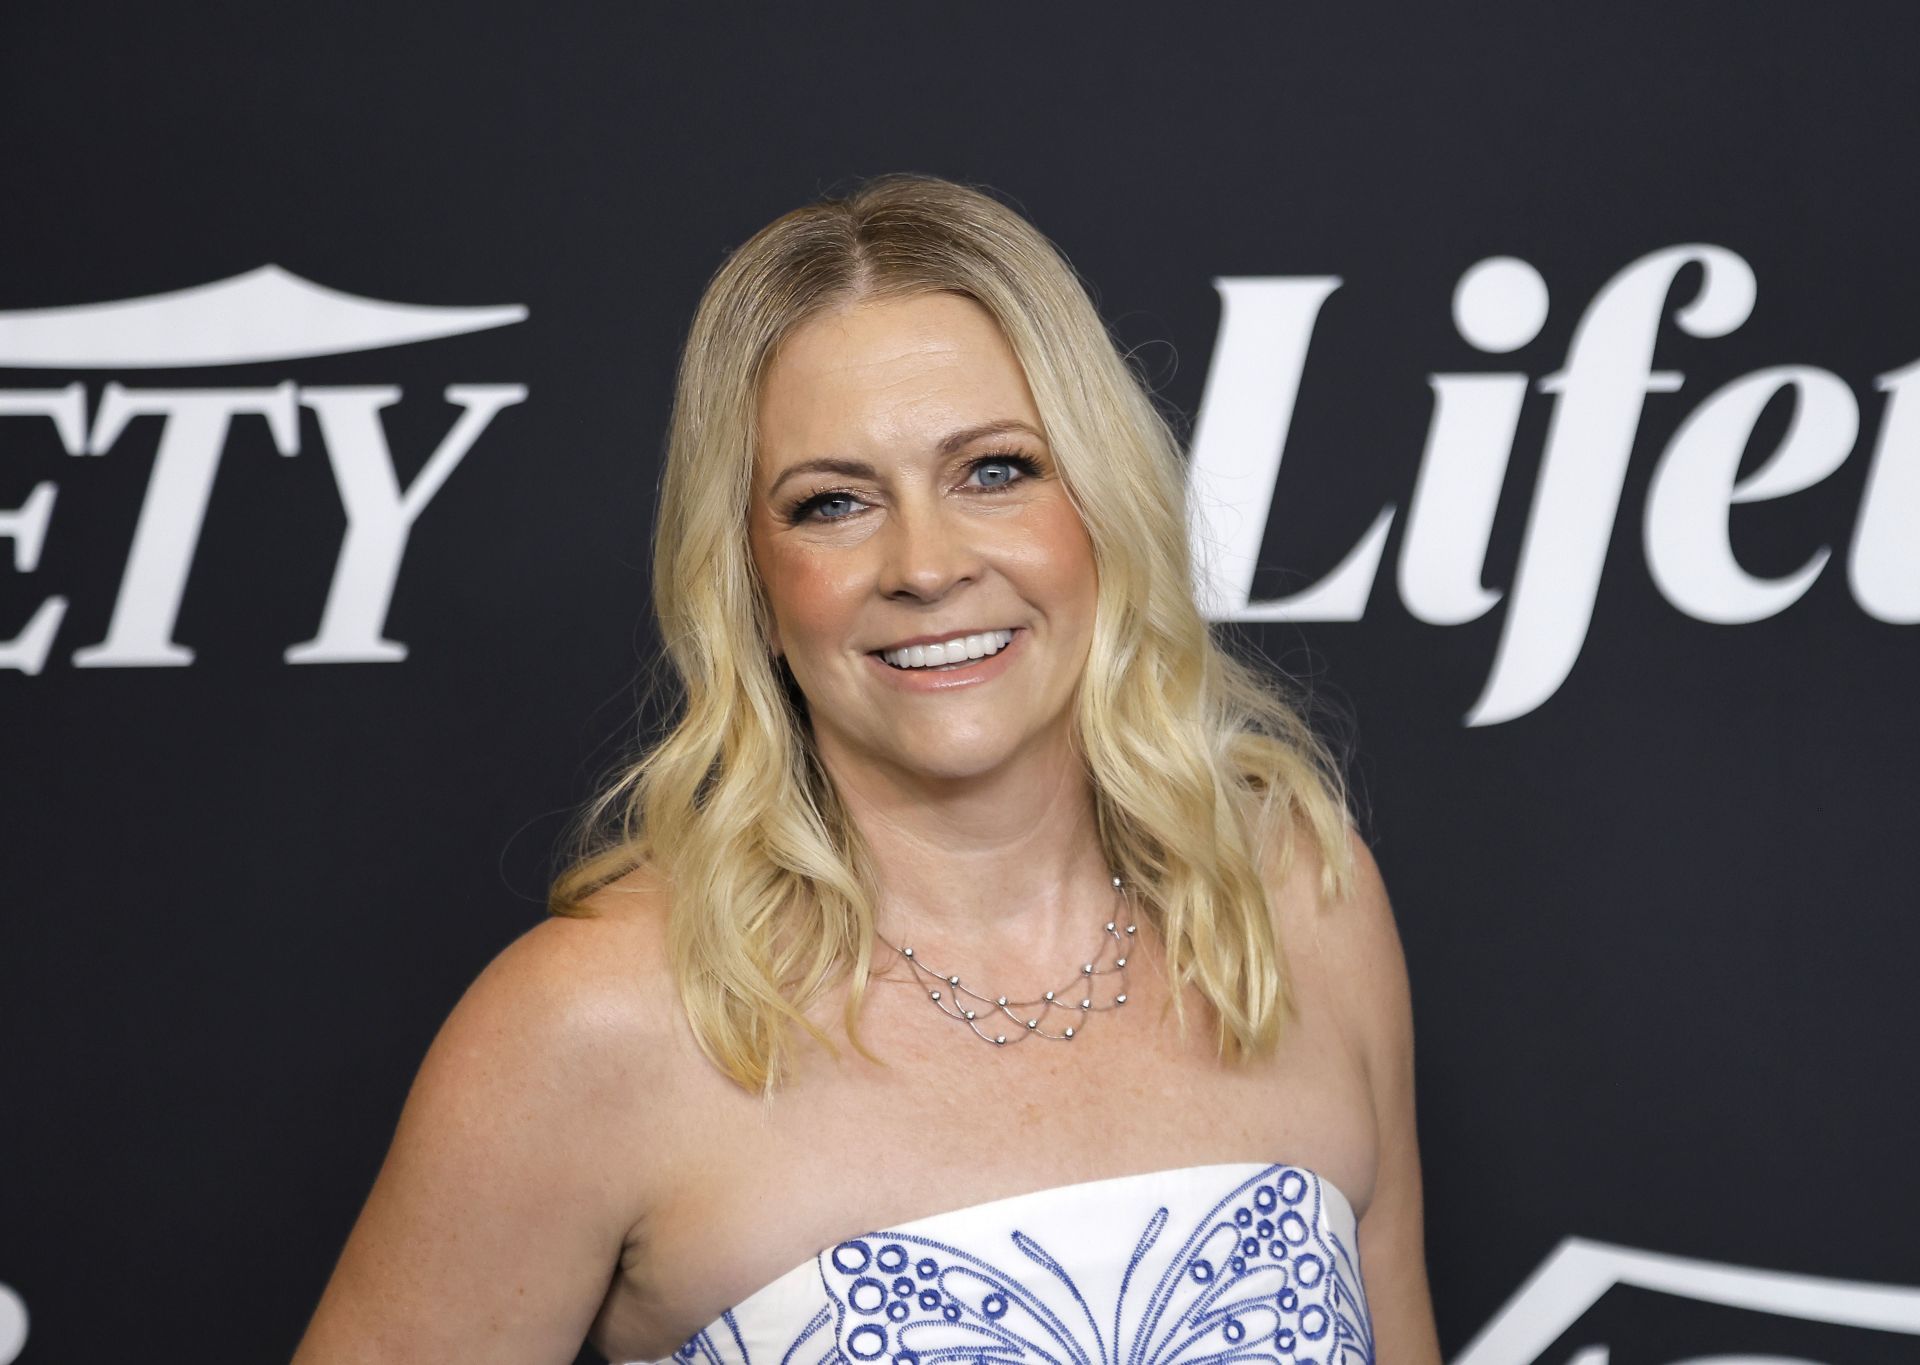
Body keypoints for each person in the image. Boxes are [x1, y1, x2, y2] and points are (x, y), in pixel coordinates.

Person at [290, 173, 1441, 1365]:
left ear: (1102, 503)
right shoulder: (591, 1025)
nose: (925, 565)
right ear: (747, 576)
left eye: (995, 470)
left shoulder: (1298, 902)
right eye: (833, 503)